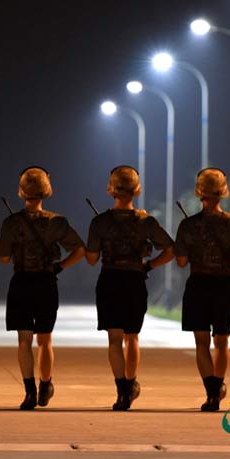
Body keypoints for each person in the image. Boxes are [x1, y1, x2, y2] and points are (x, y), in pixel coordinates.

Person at [174, 168, 230, 412]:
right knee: (221, 342)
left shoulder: (188, 225)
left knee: (201, 343)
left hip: (198, 285)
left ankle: (211, 393)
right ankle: (218, 386)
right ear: (223, 193)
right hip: (224, 286)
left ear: (199, 193)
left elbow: (181, 262)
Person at [85, 166, 174, 411]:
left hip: (109, 280)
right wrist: (149, 265)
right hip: (135, 280)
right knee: (132, 337)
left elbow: (91, 259)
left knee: (114, 339)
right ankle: (131, 384)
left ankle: (121, 391)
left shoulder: (99, 222)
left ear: (110, 189)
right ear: (137, 189)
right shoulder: (146, 221)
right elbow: (170, 249)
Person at [0, 166, 85, 410]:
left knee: (24, 341)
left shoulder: (11, 222)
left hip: (21, 283)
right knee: (45, 340)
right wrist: (60, 267)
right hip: (46, 283)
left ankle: (29, 392)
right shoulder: (56, 222)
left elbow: (4, 258)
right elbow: (79, 250)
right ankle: (46, 384)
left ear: (22, 191)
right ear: (46, 191)